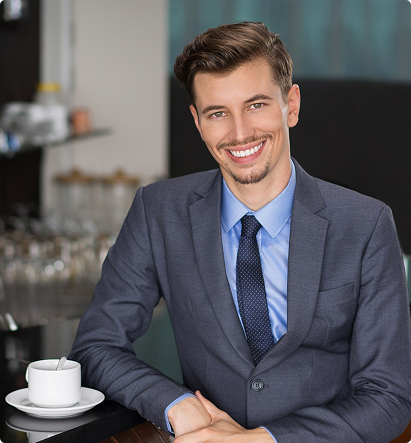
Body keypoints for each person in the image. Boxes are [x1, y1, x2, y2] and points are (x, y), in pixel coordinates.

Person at [69, 22, 411, 442]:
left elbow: (388, 397)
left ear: (292, 104)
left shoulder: (367, 224)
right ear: (196, 120)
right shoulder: (157, 211)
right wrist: (177, 405)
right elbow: (95, 347)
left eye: (256, 105)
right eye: (217, 113)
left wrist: (260, 440)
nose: (239, 132)